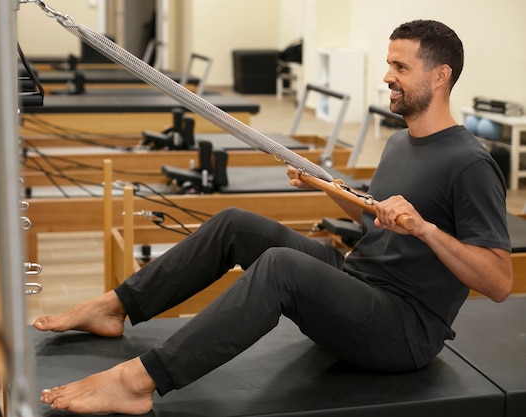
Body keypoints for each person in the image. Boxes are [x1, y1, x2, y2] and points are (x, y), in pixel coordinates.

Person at [34, 19, 513, 415]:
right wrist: (324, 186)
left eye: (399, 66)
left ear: (440, 76)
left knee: (282, 266)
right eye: (389, 64)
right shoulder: (399, 141)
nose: (387, 76)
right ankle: (115, 307)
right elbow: (376, 219)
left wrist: (427, 229)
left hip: (404, 329)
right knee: (236, 222)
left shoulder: (469, 163)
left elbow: (497, 282)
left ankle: (139, 382)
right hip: (361, 282)